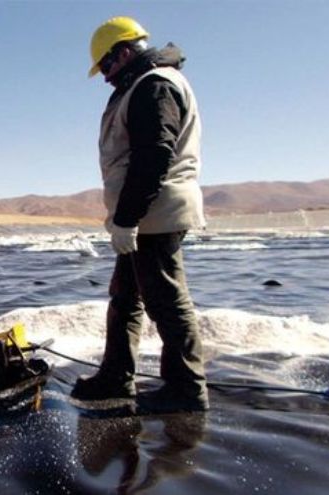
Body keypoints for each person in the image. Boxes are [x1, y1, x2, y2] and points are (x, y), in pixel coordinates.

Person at [70, 17, 208, 412]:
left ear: (125, 53)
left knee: (165, 298)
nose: (105, 77)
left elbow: (154, 156)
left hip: (155, 214)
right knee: (126, 297)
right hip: (142, 214)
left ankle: (186, 389)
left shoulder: (154, 86)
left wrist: (128, 219)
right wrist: (125, 219)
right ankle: (116, 377)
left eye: (107, 67)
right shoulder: (139, 84)